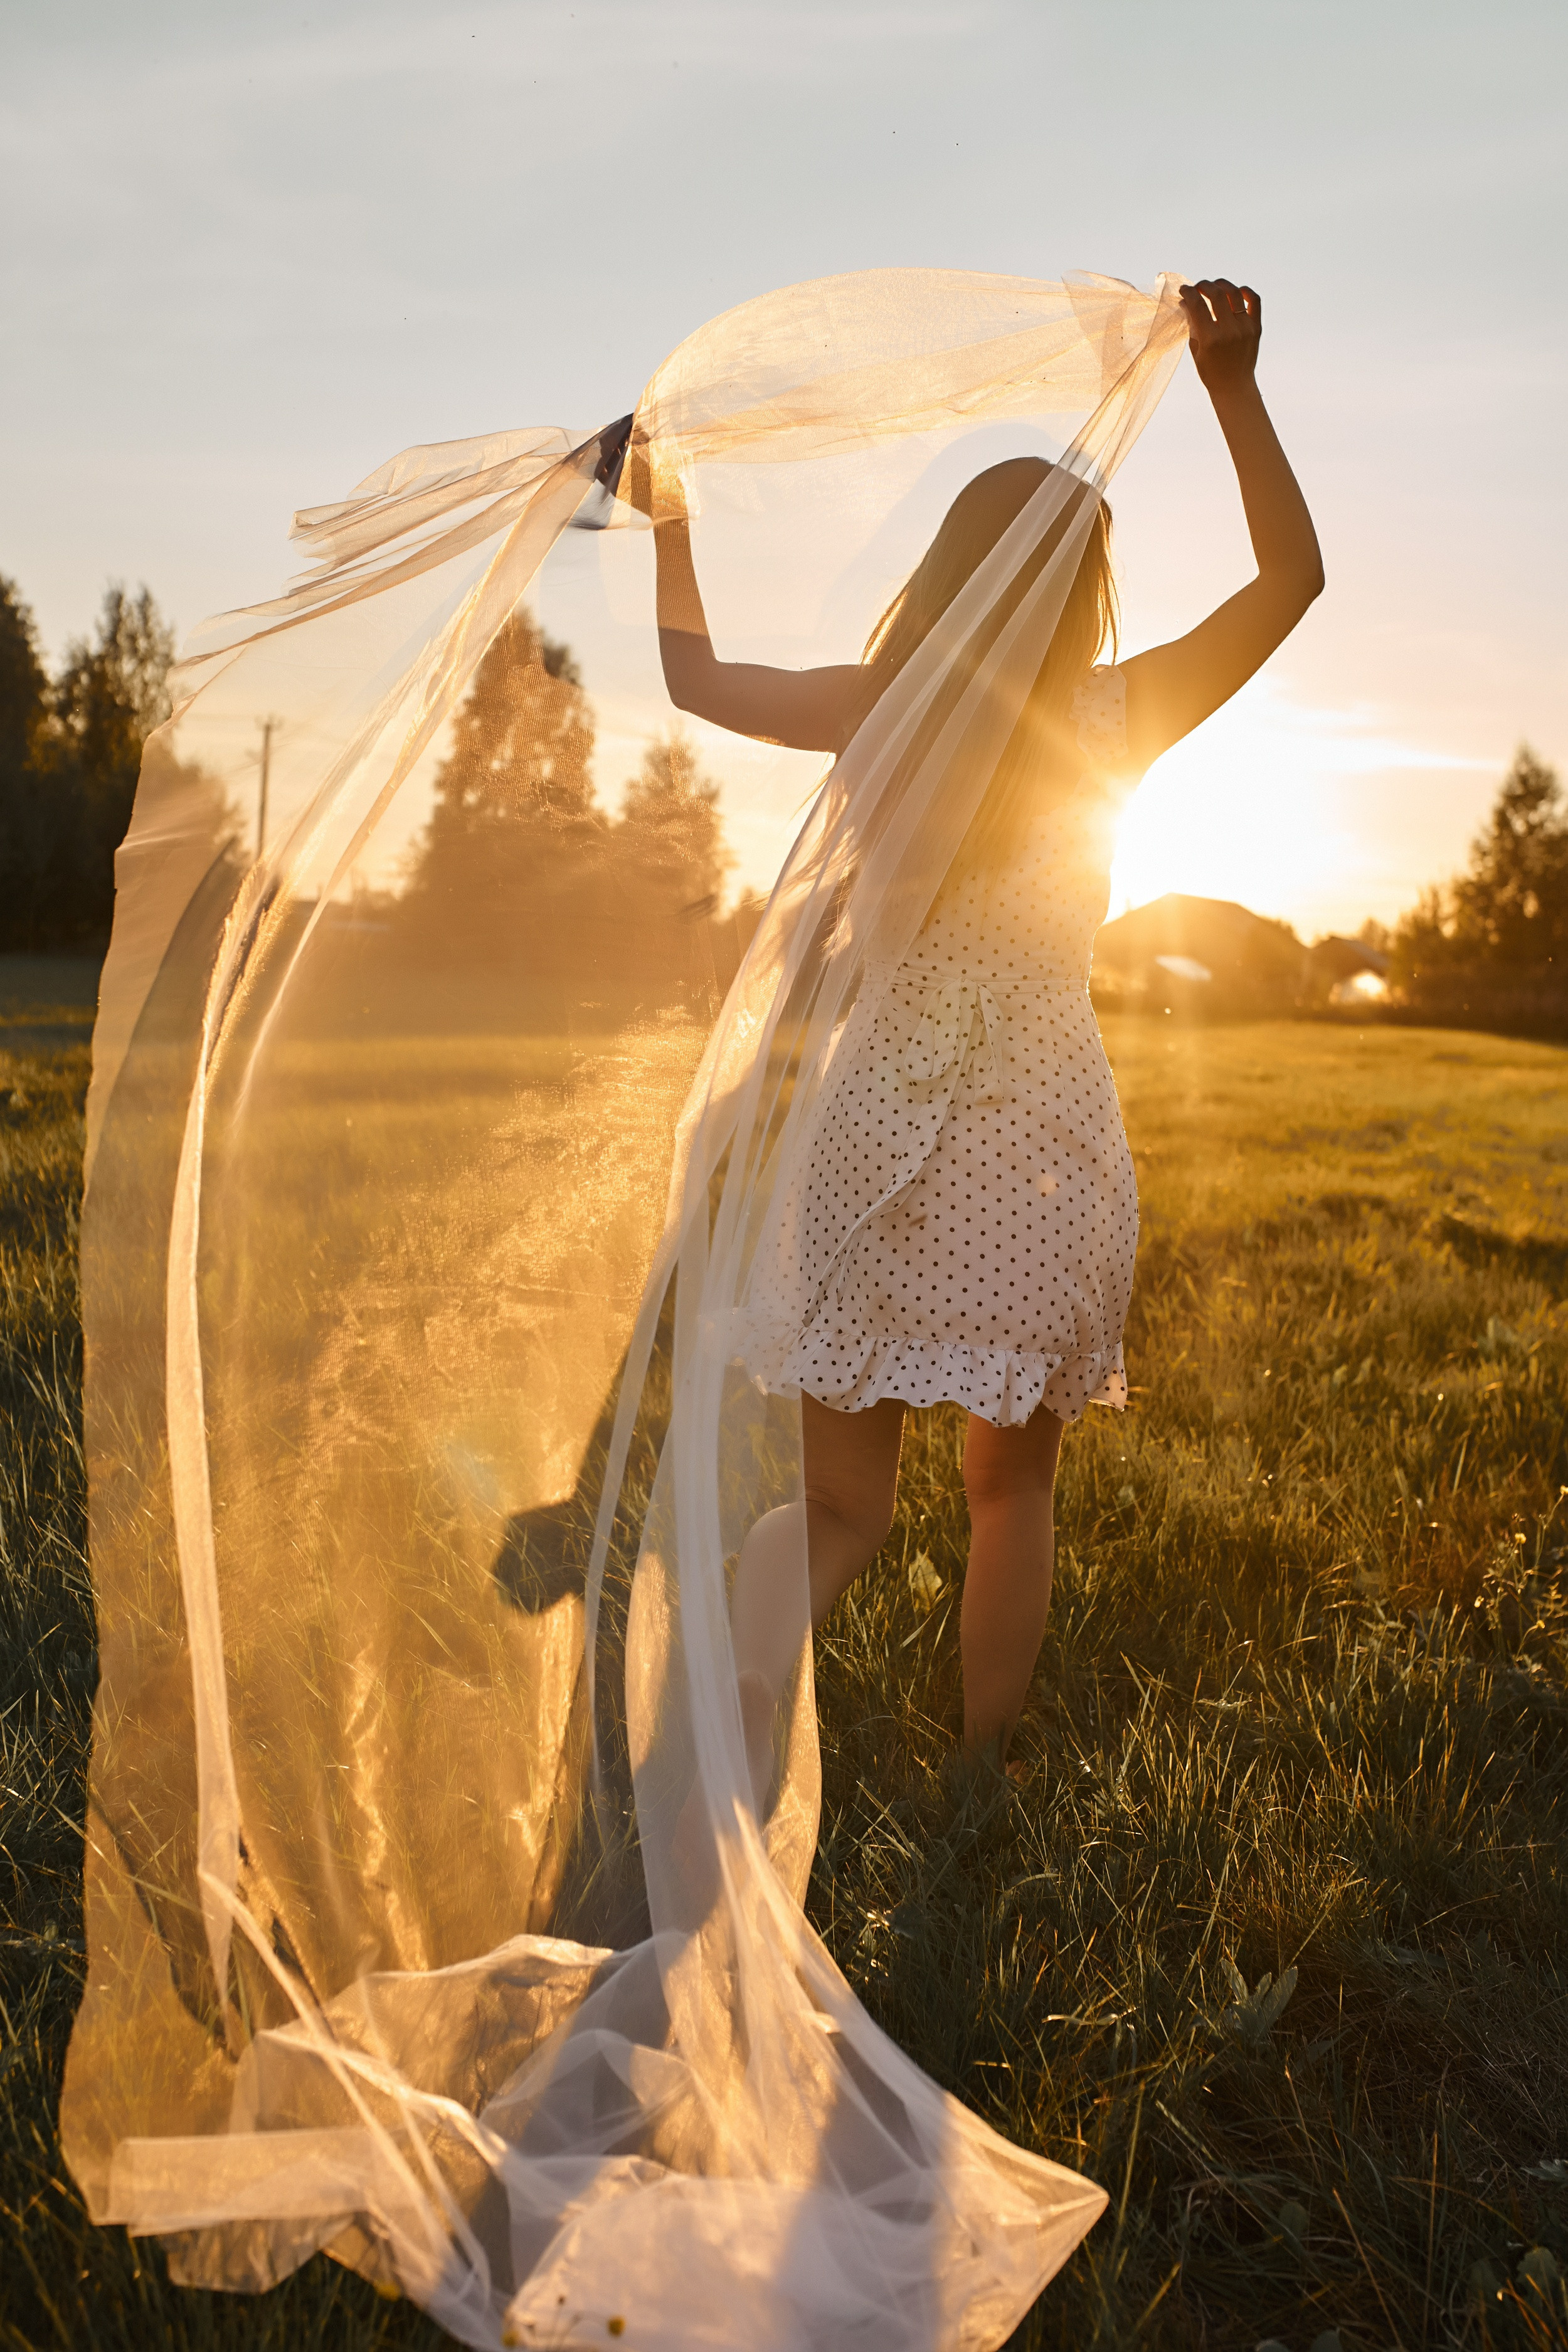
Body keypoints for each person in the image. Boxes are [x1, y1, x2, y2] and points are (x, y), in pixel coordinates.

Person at [648, 279, 1323, 1795]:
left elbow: (692, 676)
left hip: (868, 1148)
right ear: (1086, 588)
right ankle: (971, 1789)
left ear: (948, 569)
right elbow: (1289, 583)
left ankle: (737, 1683)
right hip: (1029, 1156)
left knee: (837, 1514)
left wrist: (669, 516)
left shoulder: (873, 707)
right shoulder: (1115, 712)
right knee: (1007, 1494)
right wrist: (1232, 389)